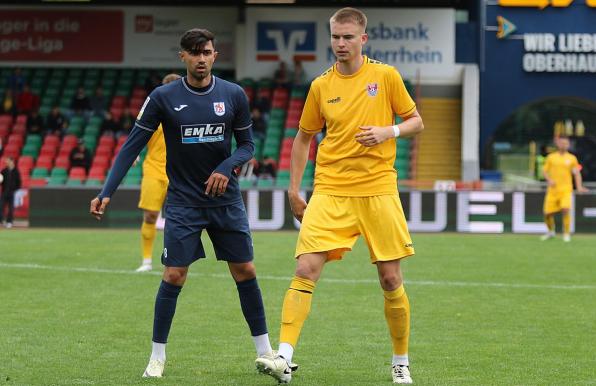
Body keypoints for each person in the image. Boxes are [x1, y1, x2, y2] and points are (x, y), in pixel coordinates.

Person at [89, 28, 275, 379]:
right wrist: (107, 190)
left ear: (215, 55)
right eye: (194, 53)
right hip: (184, 203)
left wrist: (226, 166)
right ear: (183, 57)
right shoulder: (163, 97)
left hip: (225, 200)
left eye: (206, 52)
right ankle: (157, 356)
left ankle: (266, 352)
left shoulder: (233, 94)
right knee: (174, 274)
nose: (201, 58)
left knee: (246, 270)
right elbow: (132, 145)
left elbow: (248, 146)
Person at [255, 8, 424, 385]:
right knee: (304, 269)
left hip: (378, 189)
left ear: (363, 39)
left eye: (348, 37)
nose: (341, 44)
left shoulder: (385, 76)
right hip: (330, 189)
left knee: (390, 279)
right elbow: (303, 138)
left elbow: (416, 121)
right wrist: (294, 188)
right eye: (335, 37)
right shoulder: (321, 86)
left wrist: (388, 131)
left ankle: (400, 361)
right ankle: (284, 357)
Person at [135, 73, 181, 273]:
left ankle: (176, 259)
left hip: (179, 173)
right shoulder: (152, 112)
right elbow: (138, 134)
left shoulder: (188, 112)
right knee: (151, 216)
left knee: (178, 219)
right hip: (153, 170)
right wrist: (135, 151)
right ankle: (146, 260)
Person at [540, 136, 588, 242]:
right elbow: (544, 171)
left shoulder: (572, 158)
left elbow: (576, 173)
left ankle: (566, 234)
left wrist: (579, 186)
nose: (564, 145)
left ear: (568, 145)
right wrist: (549, 180)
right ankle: (550, 231)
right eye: (562, 143)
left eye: (566, 143)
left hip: (566, 189)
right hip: (552, 190)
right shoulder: (551, 157)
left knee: (565, 210)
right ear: (558, 144)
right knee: (547, 214)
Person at [0, 157, 22, 228]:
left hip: (12, 193)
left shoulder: (16, 171)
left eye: (8, 161)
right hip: (4, 192)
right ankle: (1, 221)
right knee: (1, 206)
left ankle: (9, 222)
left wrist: (15, 190)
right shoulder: (4, 171)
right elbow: (1, 180)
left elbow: (19, 183)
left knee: (11, 208)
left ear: (12, 162)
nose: (6, 162)